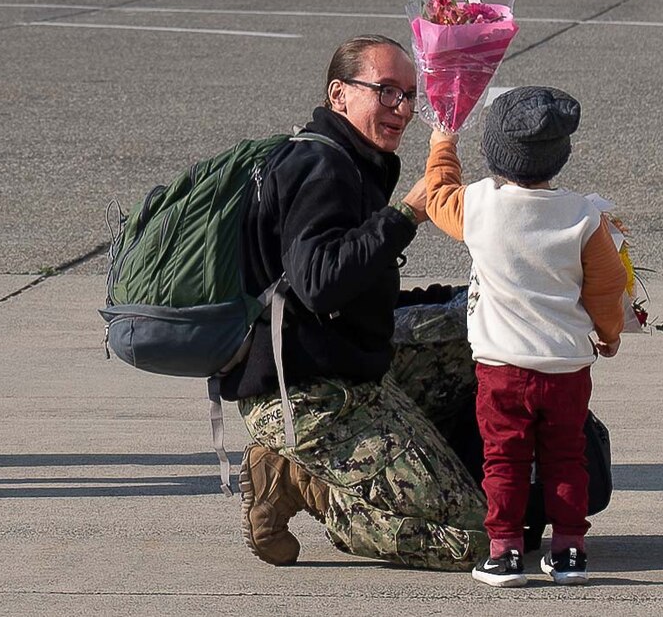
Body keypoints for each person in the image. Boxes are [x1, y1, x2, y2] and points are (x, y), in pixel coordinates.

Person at [223, 34, 489, 570]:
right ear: (338, 93)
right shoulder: (322, 169)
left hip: (347, 365)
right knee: (480, 539)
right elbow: (321, 282)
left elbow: (361, 293)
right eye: (386, 91)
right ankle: (305, 485)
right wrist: (405, 216)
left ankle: (423, 467)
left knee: (481, 336)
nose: (403, 109)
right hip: (308, 396)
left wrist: (468, 299)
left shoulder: (351, 158)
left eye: (410, 95)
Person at [423, 86, 627, 587]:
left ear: (494, 152)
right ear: (559, 157)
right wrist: (608, 332)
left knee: (504, 459)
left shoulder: (478, 206)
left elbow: (436, 194)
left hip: (501, 367)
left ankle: (505, 550)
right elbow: (607, 285)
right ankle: (570, 549)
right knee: (565, 457)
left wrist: (442, 141)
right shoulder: (583, 216)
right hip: (566, 366)